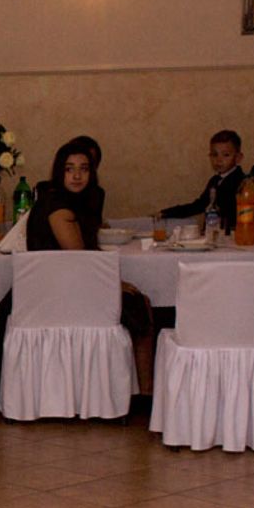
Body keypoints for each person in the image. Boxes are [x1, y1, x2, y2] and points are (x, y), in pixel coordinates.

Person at [27, 139, 154, 389]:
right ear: (59, 172)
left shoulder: (67, 201)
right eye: (69, 169)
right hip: (59, 292)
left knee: (138, 301)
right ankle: (146, 392)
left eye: (84, 169)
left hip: (57, 287)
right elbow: (81, 261)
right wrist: (114, 283)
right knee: (140, 304)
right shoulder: (59, 208)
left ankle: (140, 390)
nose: (77, 176)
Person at [158, 130, 246, 233]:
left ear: (238, 158)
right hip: (213, 233)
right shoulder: (215, 180)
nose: (219, 160)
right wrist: (166, 213)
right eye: (214, 155)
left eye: (226, 155)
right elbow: (199, 205)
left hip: (233, 234)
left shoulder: (243, 182)